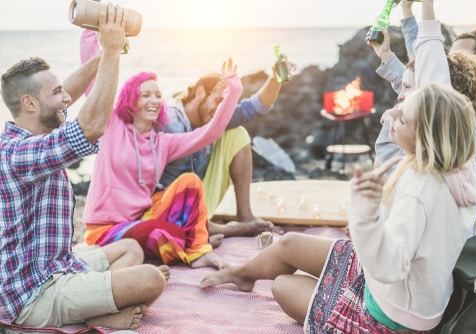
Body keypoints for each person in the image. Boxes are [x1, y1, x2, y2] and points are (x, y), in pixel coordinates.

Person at [200, 82, 476, 333]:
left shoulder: (420, 189)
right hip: (391, 284)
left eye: (402, 119)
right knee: (288, 244)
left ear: (426, 139)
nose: (389, 117)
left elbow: (389, 266)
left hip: (390, 313)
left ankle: (250, 276)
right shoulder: (458, 168)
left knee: (282, 285)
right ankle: (243, 274)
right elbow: (440, 104)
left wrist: (365, 214)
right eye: (398, 108)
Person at [0, 4, 167, 330]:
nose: (67, 98)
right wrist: (111, 52)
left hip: (57, 266)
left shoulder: (32, 126)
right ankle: (98, 313)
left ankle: (97, 303)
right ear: (30, 103)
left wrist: (108, 49)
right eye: (57, 92)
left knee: (131, 247)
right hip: (32, 295)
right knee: (150, 278)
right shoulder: (18, 153)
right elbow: (90, 126)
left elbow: (66, 96)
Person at [82, 59, 242, 270]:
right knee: (158, 232)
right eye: (146, 95)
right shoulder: (112, 125)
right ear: (131, 100)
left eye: (158, 95)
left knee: (190, 182)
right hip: (104, 228)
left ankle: (197, 251)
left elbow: (209, 133)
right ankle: (187, 243)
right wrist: (97, 38)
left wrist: (234, 90)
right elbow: (95, 87)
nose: (154, 100)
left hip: (141, 218)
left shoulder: (162, 143)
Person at [370, 0, 476, 233]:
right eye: (447, 56)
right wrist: (406, 14)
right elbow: (419, 70)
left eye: (459, 57)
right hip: (452, 208)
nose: (447, 62)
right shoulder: (440, 103)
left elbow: (427, 62)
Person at [157, 66, 291, 239]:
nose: (221, 110)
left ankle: (244, 215)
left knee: (237, 134)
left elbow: (255, 108)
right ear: (199, 92)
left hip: (199, 197)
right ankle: (214, 229)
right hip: (167, 205)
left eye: (225, 104)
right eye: (218, 100)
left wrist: (275, 78)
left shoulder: (217, 116)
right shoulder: (170, 122)